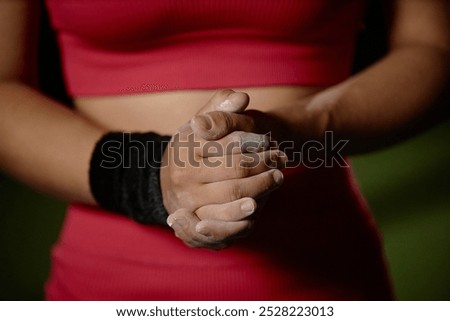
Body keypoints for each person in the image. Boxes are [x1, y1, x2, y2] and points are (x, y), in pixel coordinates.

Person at [0, 0, 448, 300]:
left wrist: (295, 129)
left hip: (325, 274)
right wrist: (151, 176)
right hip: (105, 280)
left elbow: (432, 49)